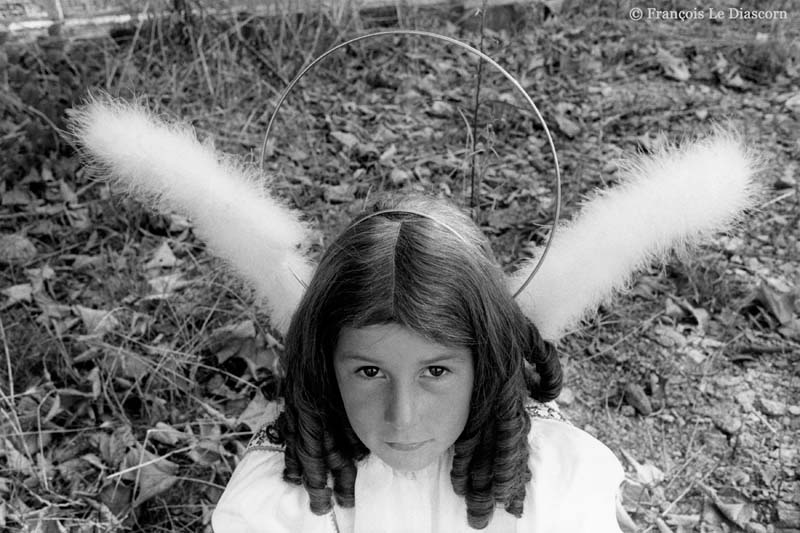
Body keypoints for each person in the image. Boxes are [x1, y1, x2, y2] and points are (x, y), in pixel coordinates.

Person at [211, 195, 624, 533]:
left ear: (484, 366)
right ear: (325, 365)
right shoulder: (288, 492)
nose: (403, 417)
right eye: (370, 372)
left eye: (436, 371)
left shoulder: (552, 484)